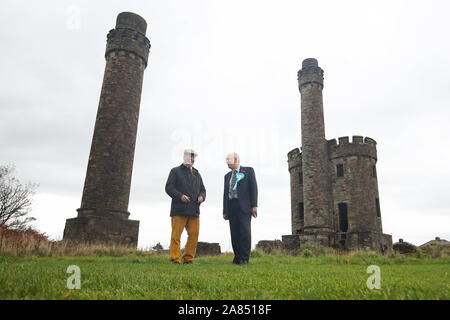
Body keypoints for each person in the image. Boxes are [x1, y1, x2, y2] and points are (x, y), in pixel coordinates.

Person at [165, 149, 206, 264]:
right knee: (176, 236)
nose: (191, 159)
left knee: (194, 235)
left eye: (193, 157)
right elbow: (169, 188)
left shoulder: (197, 174)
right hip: (179, 210)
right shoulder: (175, 171)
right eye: (189, 157)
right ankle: (175, 259)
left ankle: (188, 259)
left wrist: (202, 197)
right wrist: (180, 196)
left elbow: (203, 190)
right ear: (184, 157)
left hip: (194, 210)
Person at [223, 152, 258, 265]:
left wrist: (254, 205)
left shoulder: (248, 171)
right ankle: (237, 257)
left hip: (244, 207)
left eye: (228, 159)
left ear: (236, 159)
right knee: (234, 233)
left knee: (245, 233)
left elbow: (253, 188)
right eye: (226, 160)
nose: (227, 162)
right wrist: (225, 210)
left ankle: (244, 258)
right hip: (231, 207)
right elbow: (225, 194)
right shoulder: (227, 176)